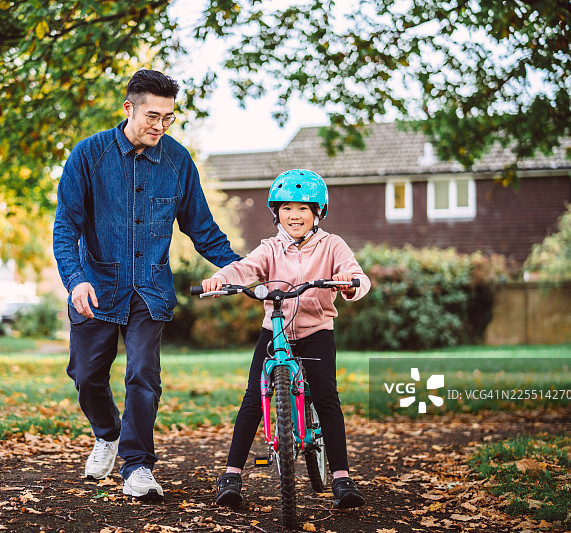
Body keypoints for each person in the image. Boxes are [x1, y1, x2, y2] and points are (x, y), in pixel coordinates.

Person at [53, 69, 241, 500]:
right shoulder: (88, 156)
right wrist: (75, 280)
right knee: (85, 375)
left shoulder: (177, 162)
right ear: (129, 109)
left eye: (168, 118)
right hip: (96, 288)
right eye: (152, 116)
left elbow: (203, 230)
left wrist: (241, 267)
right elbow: (66, 228)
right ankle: (107, 433)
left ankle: (137, 465)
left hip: (150, 290)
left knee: (143, 376)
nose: (159, 125)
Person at [201, 169, 369, 510]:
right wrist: (220, 278)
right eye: (287, 208)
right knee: (252, 397)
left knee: (326, 396)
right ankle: (231, 476)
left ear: (318, 212)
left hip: (316, 332)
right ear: (276, 212)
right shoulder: (270, 249)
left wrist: (349, 281)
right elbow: (244, 269)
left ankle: (341, 478)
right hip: (274, 330)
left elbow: (357, 276)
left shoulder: (332, 245)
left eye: (304, 208)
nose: (295, 215)